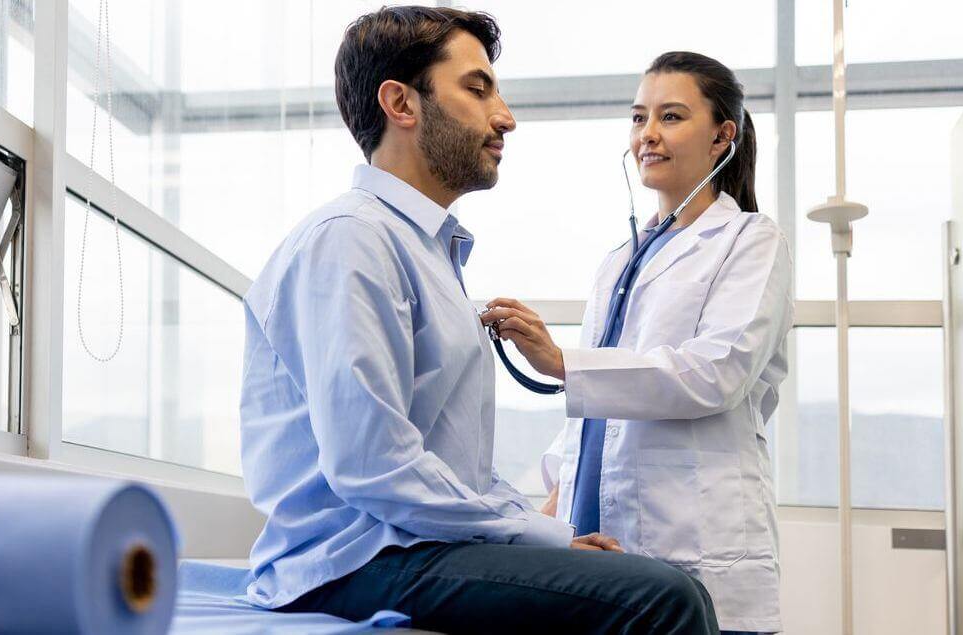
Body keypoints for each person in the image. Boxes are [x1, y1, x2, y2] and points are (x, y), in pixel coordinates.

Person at [239, 8, 719, 633]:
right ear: (401, 104)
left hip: (407, 544)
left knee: (674, 587)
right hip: (352, 561)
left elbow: (456, 471)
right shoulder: (352, 240)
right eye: (477, 88)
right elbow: (371, 466)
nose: (506, 117)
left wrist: (545, 535)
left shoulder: (427, 253)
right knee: (663, 598)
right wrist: (530, 532)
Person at [479, 52, 793, 634]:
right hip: (597, 534)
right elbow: (593, 419)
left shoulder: (751, 240)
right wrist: (542, 515)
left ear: (723, 135)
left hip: (698, 540)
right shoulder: (618, 260)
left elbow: (716, 373)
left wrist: (558, 361)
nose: (648, 134)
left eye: (671, 117)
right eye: (638, 117)